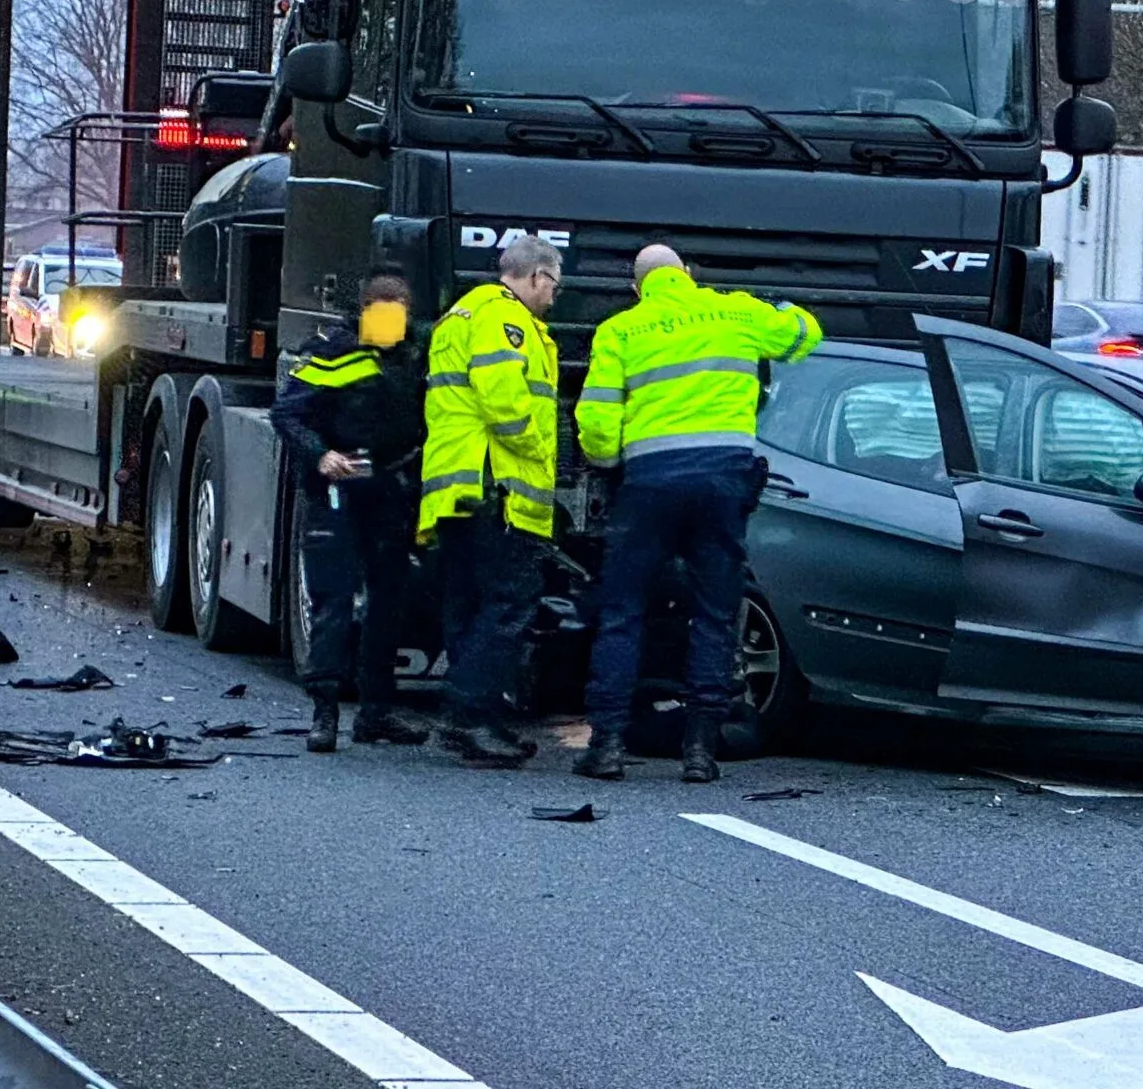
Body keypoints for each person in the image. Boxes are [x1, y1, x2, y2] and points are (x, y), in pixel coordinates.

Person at [573, 244, 821, 783]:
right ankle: (702, 749)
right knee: (714, 612)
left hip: (650, 485)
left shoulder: (620, 330)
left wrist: (618, 458)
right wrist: (778, 307)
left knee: (623, 612)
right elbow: (806, 335)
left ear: (637, 289)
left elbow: (594, 427)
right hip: (723, 482)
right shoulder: (737, 311)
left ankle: (609, 745)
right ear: (687, 274)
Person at [416, 236, 562, 767]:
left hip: (459, 487)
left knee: (468, 605)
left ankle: (478, 716)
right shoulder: (506, 319)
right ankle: (466, 716)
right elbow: (504, 399)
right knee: (510, 602)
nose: (554, 296)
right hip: (495, 484)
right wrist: (540, 447)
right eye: (554, 285)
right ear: (537, 276)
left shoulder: (463, 311)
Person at [270, 272, 431, 753]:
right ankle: (324, 713)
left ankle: (376, 713)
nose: (392, 313)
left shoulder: (414, 354)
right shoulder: (334, 354)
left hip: (390, 488)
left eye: (400, 304)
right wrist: (320, 454)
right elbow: (287, 413)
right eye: (383, 304)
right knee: (334, 600)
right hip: (337, 490)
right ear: (364, 310)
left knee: (388, 601)